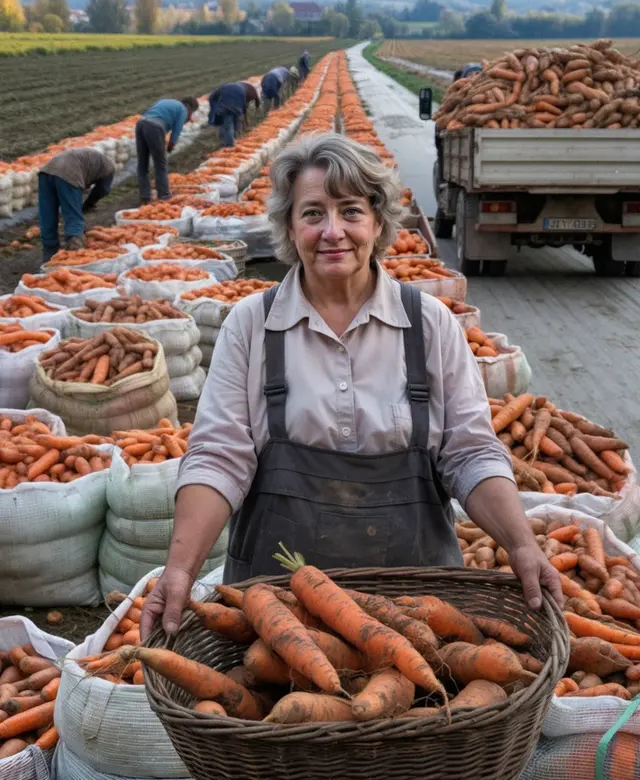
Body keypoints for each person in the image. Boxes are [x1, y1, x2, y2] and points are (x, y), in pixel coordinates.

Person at [140, 132, 562, 637]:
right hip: (276, 616)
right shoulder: (251, 325)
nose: (332, 231)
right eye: (313, 213)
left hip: (418, 614)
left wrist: (521, 544)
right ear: (290, 227)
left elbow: (469, 452)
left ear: (378, 222)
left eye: (351, 211)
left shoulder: (429, 324)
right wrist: (181, 569)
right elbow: (218, 458)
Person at [38, 147, 115, 262]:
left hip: (46, 171)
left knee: (47, 215)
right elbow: (103, 189)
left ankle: (49, 254)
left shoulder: (94, 159)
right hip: (69, 172)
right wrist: (88, 205)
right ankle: (76, 256)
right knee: (73, 217)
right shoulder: (109, 168)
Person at [135, 97, 199, 204]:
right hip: (155, 127)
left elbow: (153, 112)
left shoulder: (166, 102)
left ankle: (145, 196)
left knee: (142, 163)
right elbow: (177, 130)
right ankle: (164, 195)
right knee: (160, 163)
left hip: (141, 123)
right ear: (191, 109)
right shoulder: (183, 110)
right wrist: (171, 146)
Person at [208, 82, 260, 148]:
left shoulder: (215, 96)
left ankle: (230, 146)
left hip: (230, 101)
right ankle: (236, 139)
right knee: (236, 121)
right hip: (238, 95)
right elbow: (243, 108)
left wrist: (214, 118)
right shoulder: (245, 89)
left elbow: (214, 110)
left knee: (228, 125)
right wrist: (244, 120)